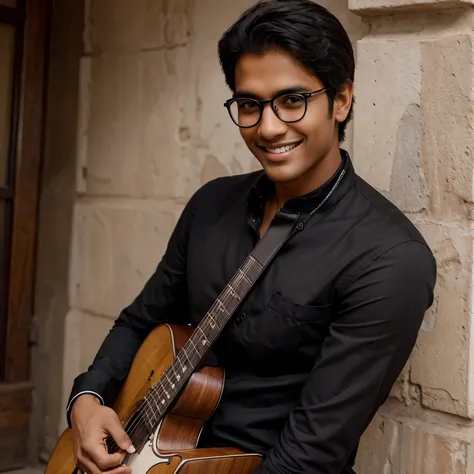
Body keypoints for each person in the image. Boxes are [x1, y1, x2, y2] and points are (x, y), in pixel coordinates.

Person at [68, 1, 437, 473]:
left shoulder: (389, 259)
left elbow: (309, 455)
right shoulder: (211, 205)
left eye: (292, 100)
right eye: (249, 105)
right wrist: (87, 397)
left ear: (341, 100)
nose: (267, 127)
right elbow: (140, 322)